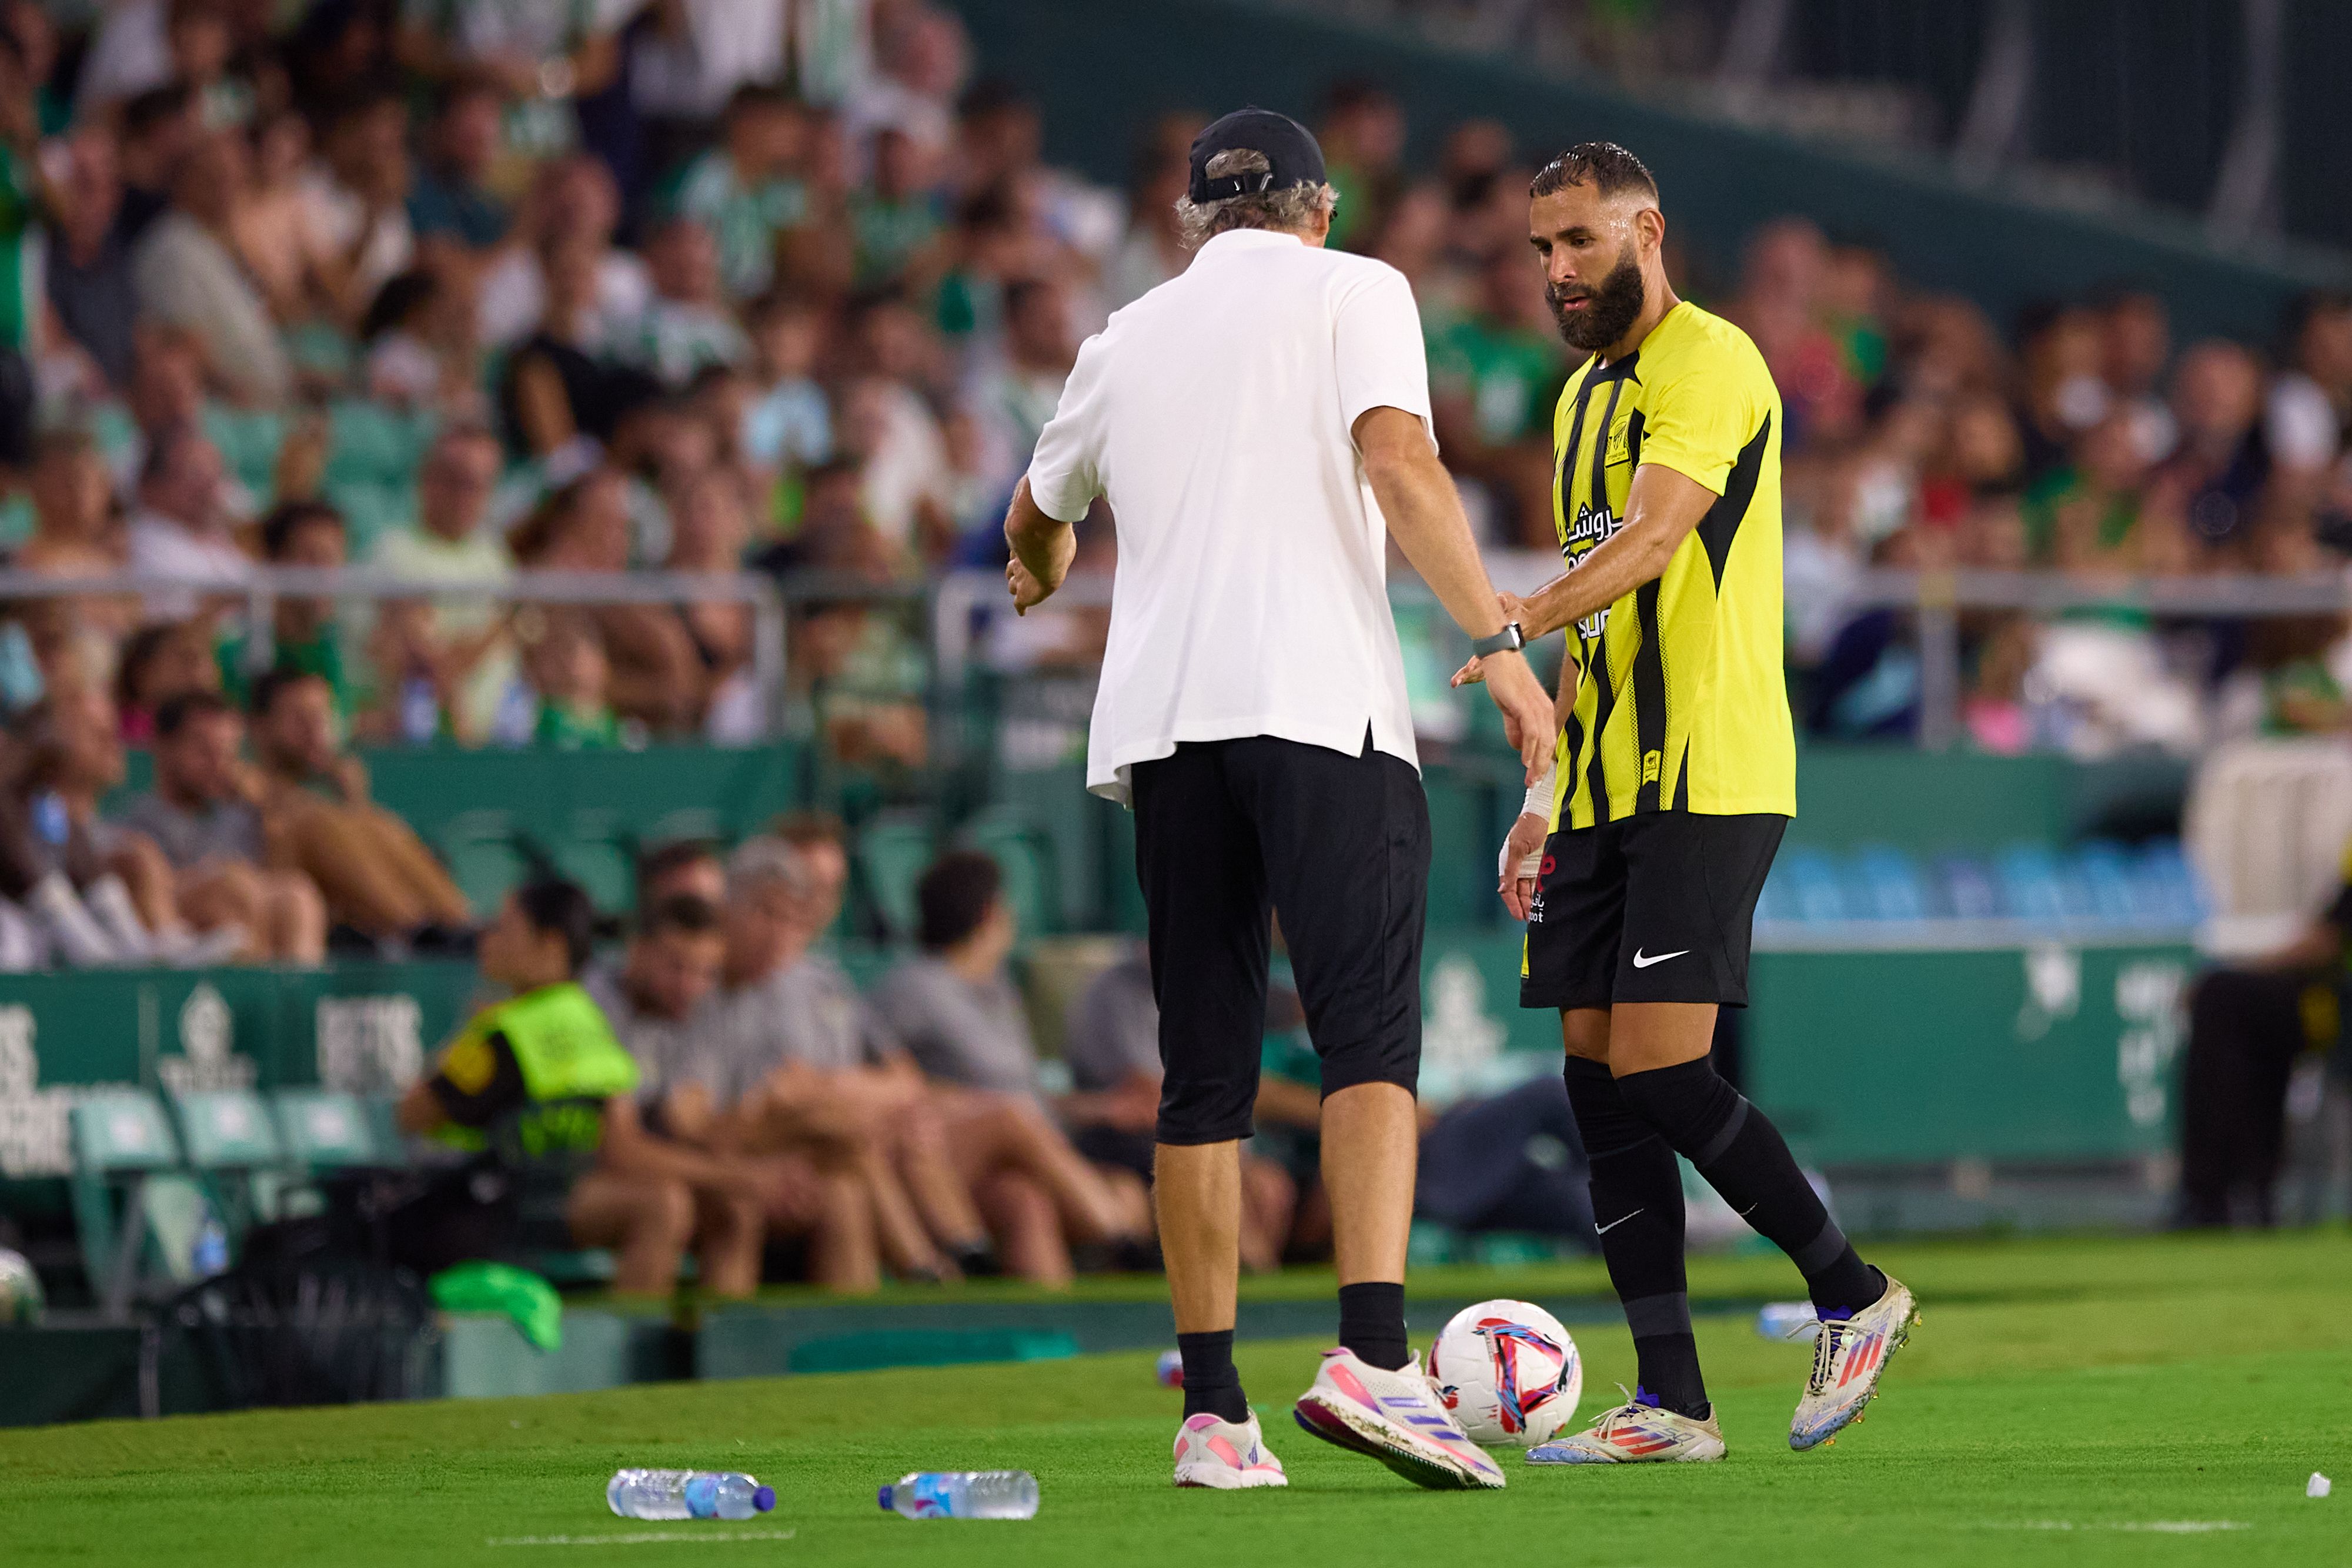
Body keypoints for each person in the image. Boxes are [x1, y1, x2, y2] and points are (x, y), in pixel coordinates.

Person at [1002, 106, 1553, 1494]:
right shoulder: (1356, 287)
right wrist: (1495, 646)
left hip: (1167, 733)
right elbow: (1399, 463)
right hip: (1319, 706)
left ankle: (1214, 1413)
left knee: (1204, 1079)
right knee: (1369, 1044)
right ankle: (1373, 1361)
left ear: (1195, 219)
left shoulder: (1122, 338)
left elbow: (1031, 512)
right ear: (1315, 207)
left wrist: (1044, 558)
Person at [1458, 142, 1913, 1465]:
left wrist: (1510, 622)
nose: (1554, 271)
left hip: (1706, 772)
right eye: (1540, 249)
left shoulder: (1711, 361)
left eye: (1577, 243)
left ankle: (1852, 1290)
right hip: (1599, 788)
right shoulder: (1572, 404)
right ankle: (1672, 1401)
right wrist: (1543, 792)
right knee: (1597, 1084)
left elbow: (1653, 541)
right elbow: (1606, 621)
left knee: (1660, 1063)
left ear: (1644, 231)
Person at [396, 878, 765, 1299]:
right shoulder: (579, 1015)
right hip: (509, 1196)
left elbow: (410, 1114)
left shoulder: (515, 1029)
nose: (489, 938)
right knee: (669, 1203)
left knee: (679, 1203)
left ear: (550, 946)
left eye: (504, 928)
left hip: (497, 1197)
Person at [587, 889, 881, 1292]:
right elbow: (620, 1150)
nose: (690, 985)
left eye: (706, 972)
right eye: (676, 967)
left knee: (825, 1192)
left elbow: (697, 1126)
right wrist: (742, 1174)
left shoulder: (684, 1012)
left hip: (662, 1170)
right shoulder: (597, 1008)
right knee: (667, 1204)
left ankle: (815, 1349)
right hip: (568, 1185)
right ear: (638, 952)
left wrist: (778, 1163)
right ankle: (633, 1351)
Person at [118, 691, 328, 964]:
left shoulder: (241, 817)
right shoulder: (139, 820)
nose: (219, 764)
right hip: (181, 937)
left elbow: (278, 873)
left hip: (244, 924)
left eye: (228, 753)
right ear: (164, 746)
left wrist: (268, 810)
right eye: (204, 751)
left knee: (297, 895)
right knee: (235, 889)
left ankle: (295, 1003)